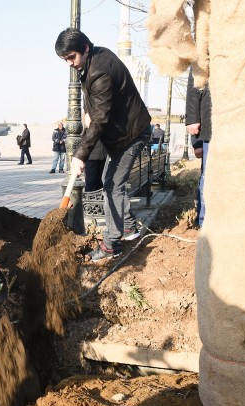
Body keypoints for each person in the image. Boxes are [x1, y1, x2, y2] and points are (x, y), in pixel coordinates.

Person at [55, 28, 151, 261]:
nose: (69, 63)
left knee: (112, 185)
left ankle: (112, 243)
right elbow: (95, 103)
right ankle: (127, 226)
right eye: (65, 59)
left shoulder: (100, 71)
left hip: (131, 133)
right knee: (112, 183)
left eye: (71, 57)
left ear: (85, 48)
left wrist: (80, 155)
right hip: (124, 132)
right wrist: (88, 112)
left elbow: (99, 120)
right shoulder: (96, 58)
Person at [185, 68, 212, 228]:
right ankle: (204, 221)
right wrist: (196, 141)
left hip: (232, 128)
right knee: (208, 175)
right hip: (210, 129)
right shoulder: (204, 58)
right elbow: (194, 88)